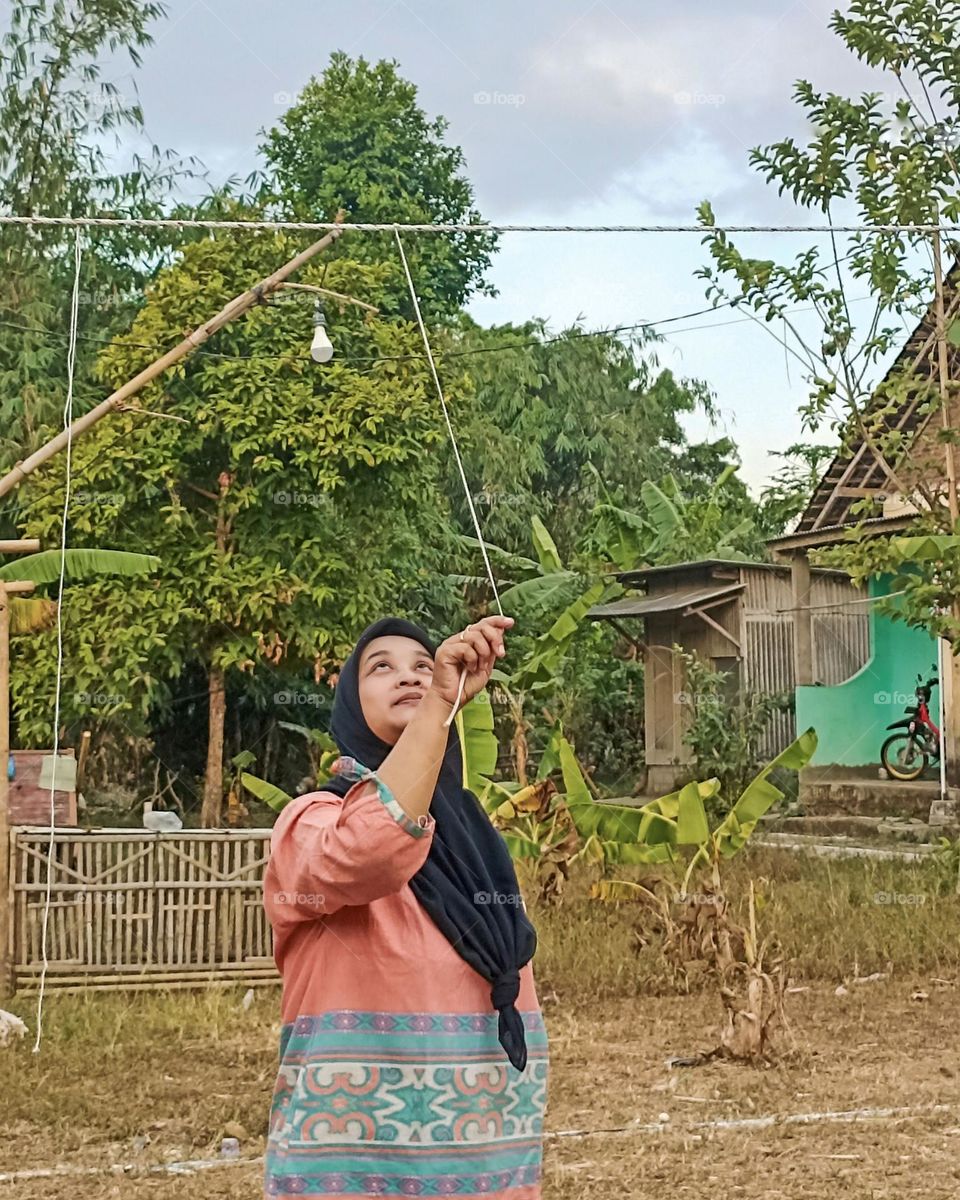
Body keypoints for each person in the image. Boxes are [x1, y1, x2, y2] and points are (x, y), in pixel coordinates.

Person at [263, 614, 549, 1200]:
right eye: (381, 667)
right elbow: (374, 847)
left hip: (482, 1154)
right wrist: (440, 697)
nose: (410, 677)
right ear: (348, 702)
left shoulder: (473, 835)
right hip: (353, 1169)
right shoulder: (310, 822)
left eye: (424, 665)